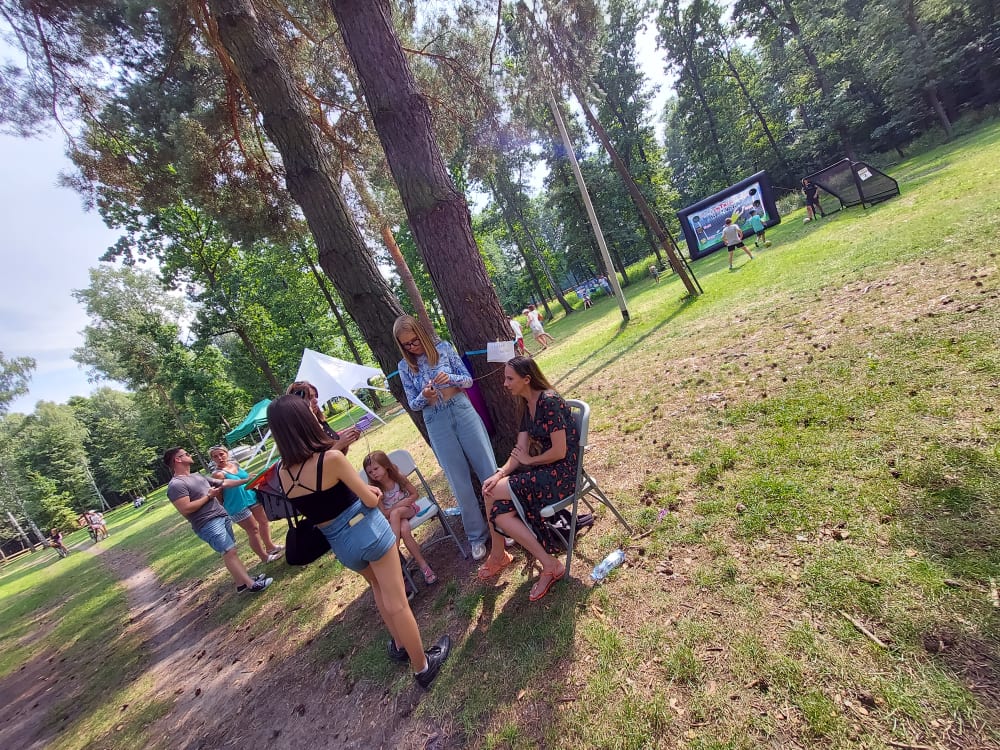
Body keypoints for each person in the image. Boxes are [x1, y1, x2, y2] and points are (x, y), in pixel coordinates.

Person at [267, 395, 450, 688]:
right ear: (303, 421)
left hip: (341, 544)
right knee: (398, 600)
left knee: (377, 587)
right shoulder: (331, 459)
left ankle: (400, 644)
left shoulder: (281, 473)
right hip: (368, 531)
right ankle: (423, 666)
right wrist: (373, 492)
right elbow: (370, 498)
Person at [393, 314, 498, 562]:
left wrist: (450, 378)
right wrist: (424, 395)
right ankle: (477, 536)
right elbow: (413, 403)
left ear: (422, 333)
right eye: (406, 344)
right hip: (435, 419)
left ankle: (504, 523)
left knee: (488, 469)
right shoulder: (404, 366)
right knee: (458, 480)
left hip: (461, 409)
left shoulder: (443, 348)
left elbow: (468, 380)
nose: (412, 347)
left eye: (414, 340)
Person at [479, 357, 577, 602]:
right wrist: (500, 473)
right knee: (499, 511)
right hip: (544, 472)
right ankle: (549, 564)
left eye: (509, 378)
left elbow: (560, 452)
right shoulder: (526, 404)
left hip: (564, 475)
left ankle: (499, 555)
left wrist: (530, 461)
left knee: (489, 492)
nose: (505, 384)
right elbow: (519, 450)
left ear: (526, 379)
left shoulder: (549, 401)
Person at [163, 447, 273, 594]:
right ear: (178, 459)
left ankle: (241, 584)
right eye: (186, 454)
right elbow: (186, 509)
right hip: (207, 523)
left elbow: (224, 483)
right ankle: (251, 584)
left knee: (230, 551)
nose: (190, 455)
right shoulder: (176, 485)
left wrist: (246, 480)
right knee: (229, 551)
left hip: (221, 516)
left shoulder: (197, 476)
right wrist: (209, 496)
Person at [364, 450, 437, 585]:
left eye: (376, 469)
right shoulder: (376, 490)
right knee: (404, 529)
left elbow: (415, 494)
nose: (373, 473)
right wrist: (397, 506)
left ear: (385, 465)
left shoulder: (398, 477)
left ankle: (393, 550)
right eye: (370, 472)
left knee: (395, 514)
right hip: (396, 520)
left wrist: (403, 503)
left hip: (409, 509)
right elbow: (384, 513)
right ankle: (424, 566)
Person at [210, 445, 283, 565]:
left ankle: (270, 547)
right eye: (215, 456)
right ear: (213, 459)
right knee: (253, 530)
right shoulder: (217, 474)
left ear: (227, 453)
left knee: (263, 522)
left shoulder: (235, 465)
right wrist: (224, 504)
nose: (219, 458)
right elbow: (219, 493)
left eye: (221, 454)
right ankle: (264, 557)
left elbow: (247, 477)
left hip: (251, 497)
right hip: (236, 505)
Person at [285, 381, 361, 453]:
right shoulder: (299, 432)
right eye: (310, 397)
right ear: (297, 403)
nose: (316, 401)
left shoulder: (321, 422)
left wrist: (346, 440)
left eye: (315, 396)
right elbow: (316, 461)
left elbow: (339, 454)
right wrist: (339, 444)